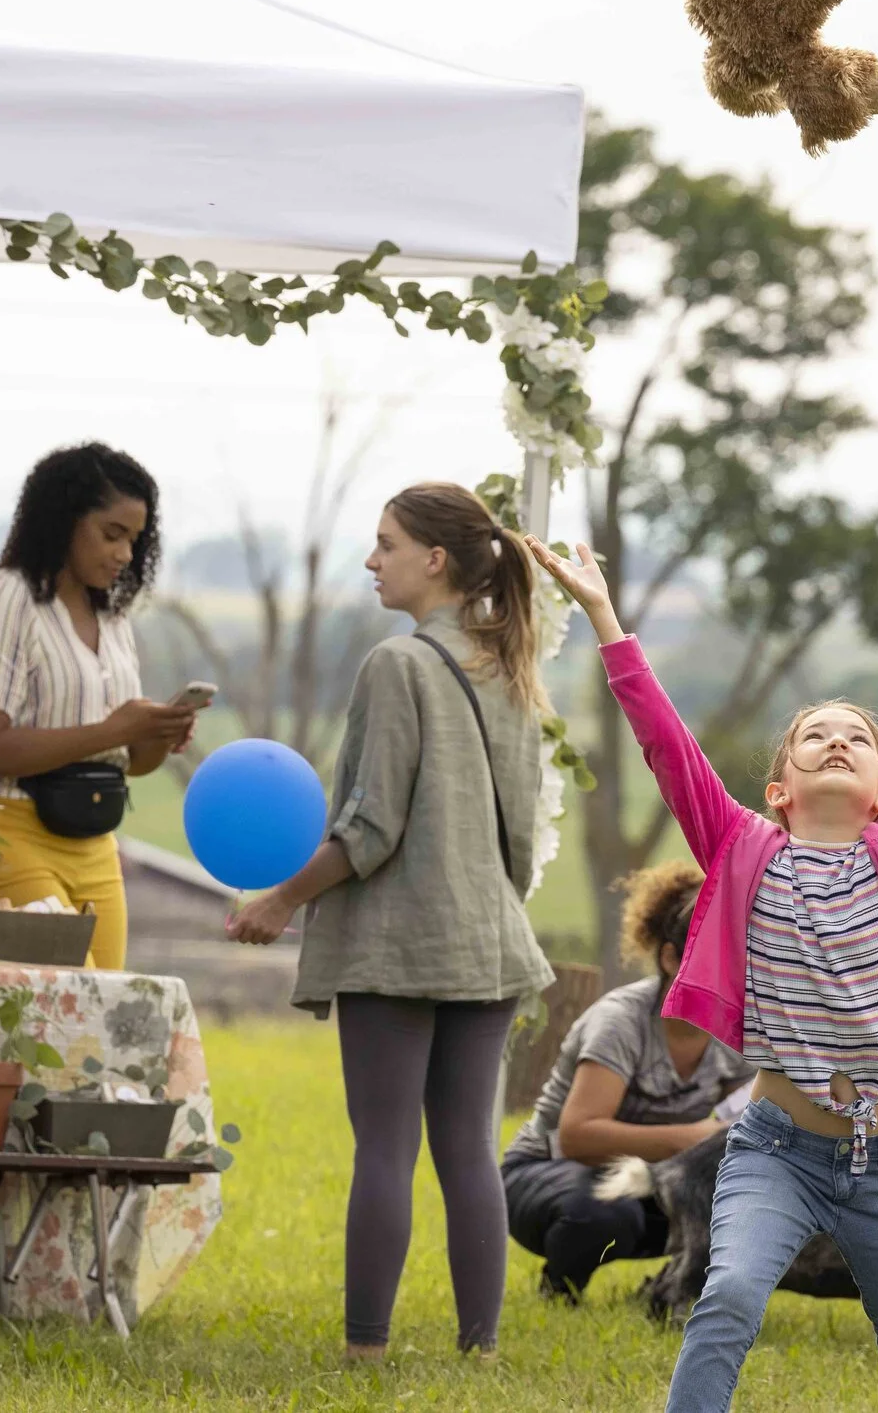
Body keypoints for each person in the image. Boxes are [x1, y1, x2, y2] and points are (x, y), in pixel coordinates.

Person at [527, 515, 878, 1413]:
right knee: (729, 1295)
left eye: (855, 737)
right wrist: (608, 623)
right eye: (813, 735)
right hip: (773, 1153)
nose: (835, 742)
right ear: (778, 787)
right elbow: (668, 749)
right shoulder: (743, 847)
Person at [229, 482, 555, 1364]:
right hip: (489, 941)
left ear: (434, 560)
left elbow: (369, 829)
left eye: (385, 544)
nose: (372, 560)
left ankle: (365, 1351)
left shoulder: (397, 664)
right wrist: (483, 900)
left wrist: (281, 898)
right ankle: (478, 1350)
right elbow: (523, 835)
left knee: (384, 1147)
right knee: (468, 1151)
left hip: (399, 948)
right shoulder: (512, 669)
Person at [0, 442, 194, 970]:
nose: (126, 554)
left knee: (101, 1021)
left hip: (94, 841)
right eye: (112, 534)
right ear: (63, 522)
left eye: (135, 539)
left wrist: (154, 734)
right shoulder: (6, 597)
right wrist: (111, 729)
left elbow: (130, 761)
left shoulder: (113, 616)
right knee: (49, 1009)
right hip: (5, 830)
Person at [501, 862, 755, 1301]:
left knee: (750, 1208)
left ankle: (666, 1291)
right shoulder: (620, 1022)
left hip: (645, 1177)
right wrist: (696, 1140)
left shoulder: (735, 1032)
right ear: (671, 958)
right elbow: (579, 1136)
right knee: (607, 1215)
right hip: (550, 1172)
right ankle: (559, 1287)